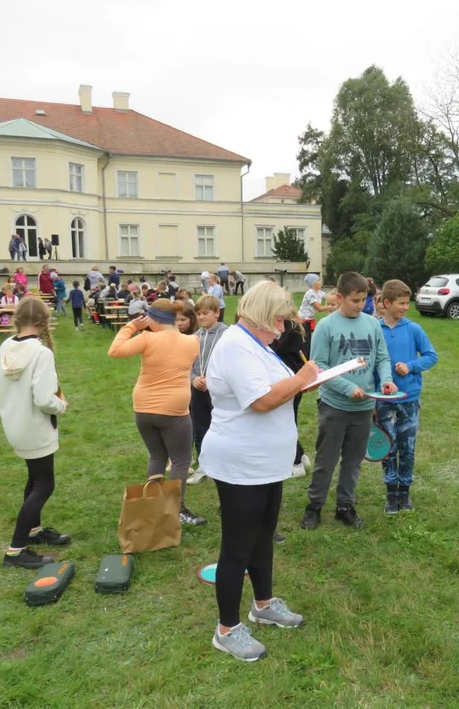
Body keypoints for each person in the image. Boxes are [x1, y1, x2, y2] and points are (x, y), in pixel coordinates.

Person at [201, 280, 319, 662]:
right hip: (240, 464)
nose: (284, 330)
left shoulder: (259, 346)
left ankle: (263, 604)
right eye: (280, 321)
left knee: (264, 535)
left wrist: (302, 383)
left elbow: (278, 387)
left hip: (265, 464)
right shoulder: (236, 346)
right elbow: (262, 401)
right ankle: (227, 629)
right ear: (263, 316)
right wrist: (301, 381)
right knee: (237, 545)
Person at [300, 271, 397, 531]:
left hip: (364, 407)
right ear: (340, 297)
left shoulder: (372, 324)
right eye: (355, 300)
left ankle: (345, 506)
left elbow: (383, 358)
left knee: (353, 461)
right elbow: (319, 366)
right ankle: (314, 506)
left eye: (364, 300)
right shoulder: (326, 326)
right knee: (326, 459)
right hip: (334, 406)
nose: (360, 305)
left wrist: (386, 380)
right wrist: (347, 388)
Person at [108, 299, 207, 526]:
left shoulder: (146, 338)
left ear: (152, 318)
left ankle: (155, 505)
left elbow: (115, 351)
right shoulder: (193, 342)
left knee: (157, 456)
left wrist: (132, 326)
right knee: (181, 460)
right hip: (174, 410)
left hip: (143, 408)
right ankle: (176, 510)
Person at [0, 298, 70, 569]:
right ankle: (15, 551)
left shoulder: (6, 346)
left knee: (35, 478)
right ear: (44, 321)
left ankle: (33, 530)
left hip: (16, 423)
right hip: (35, 426)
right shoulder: (41, 353)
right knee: (44, 484)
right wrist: (61, 404)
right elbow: (43, 398)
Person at [376, 280, 438, 514]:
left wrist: (412, 366)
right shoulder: (375, 330)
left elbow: (431, 356)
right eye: (401, 303)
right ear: (387, 303)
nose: (405, 308)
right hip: (383, 401)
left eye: (407, 303)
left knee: (408, 447)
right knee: (388, 448)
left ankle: (405, 493)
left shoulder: (414, 329)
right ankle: (391, 494)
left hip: (409, 399)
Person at [187, 295, 228, 484]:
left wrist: (212, 379)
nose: (201, 317)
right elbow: (187, 364)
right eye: (198, 314)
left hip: (219, 391)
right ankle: (203, 465)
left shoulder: (227, 335)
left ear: (217, 312)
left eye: (206, 313)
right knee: (200, 427)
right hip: (198, 390)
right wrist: (194, 379)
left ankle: (224, 463)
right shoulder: (193, 337)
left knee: (222, 427)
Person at [270, 311, 311, 478]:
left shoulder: (291, 327)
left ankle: (296, 463)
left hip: (291, 380)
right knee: (287, 419)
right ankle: (300, 454)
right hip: (291, 378)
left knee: (287, 421)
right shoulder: (294, 326)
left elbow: (274, 347)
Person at [297, 273, 330, 358]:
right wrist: (330, 306)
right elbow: (319, 308)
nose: (320, 282)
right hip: (303, 320)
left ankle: (308, 355)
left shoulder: (318, 292)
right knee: (306, 341)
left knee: (310, 339)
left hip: (309, 319)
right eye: (318, 280)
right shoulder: (310, 293)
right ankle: (306, 357)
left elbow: (328, 297)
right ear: (313, 283)